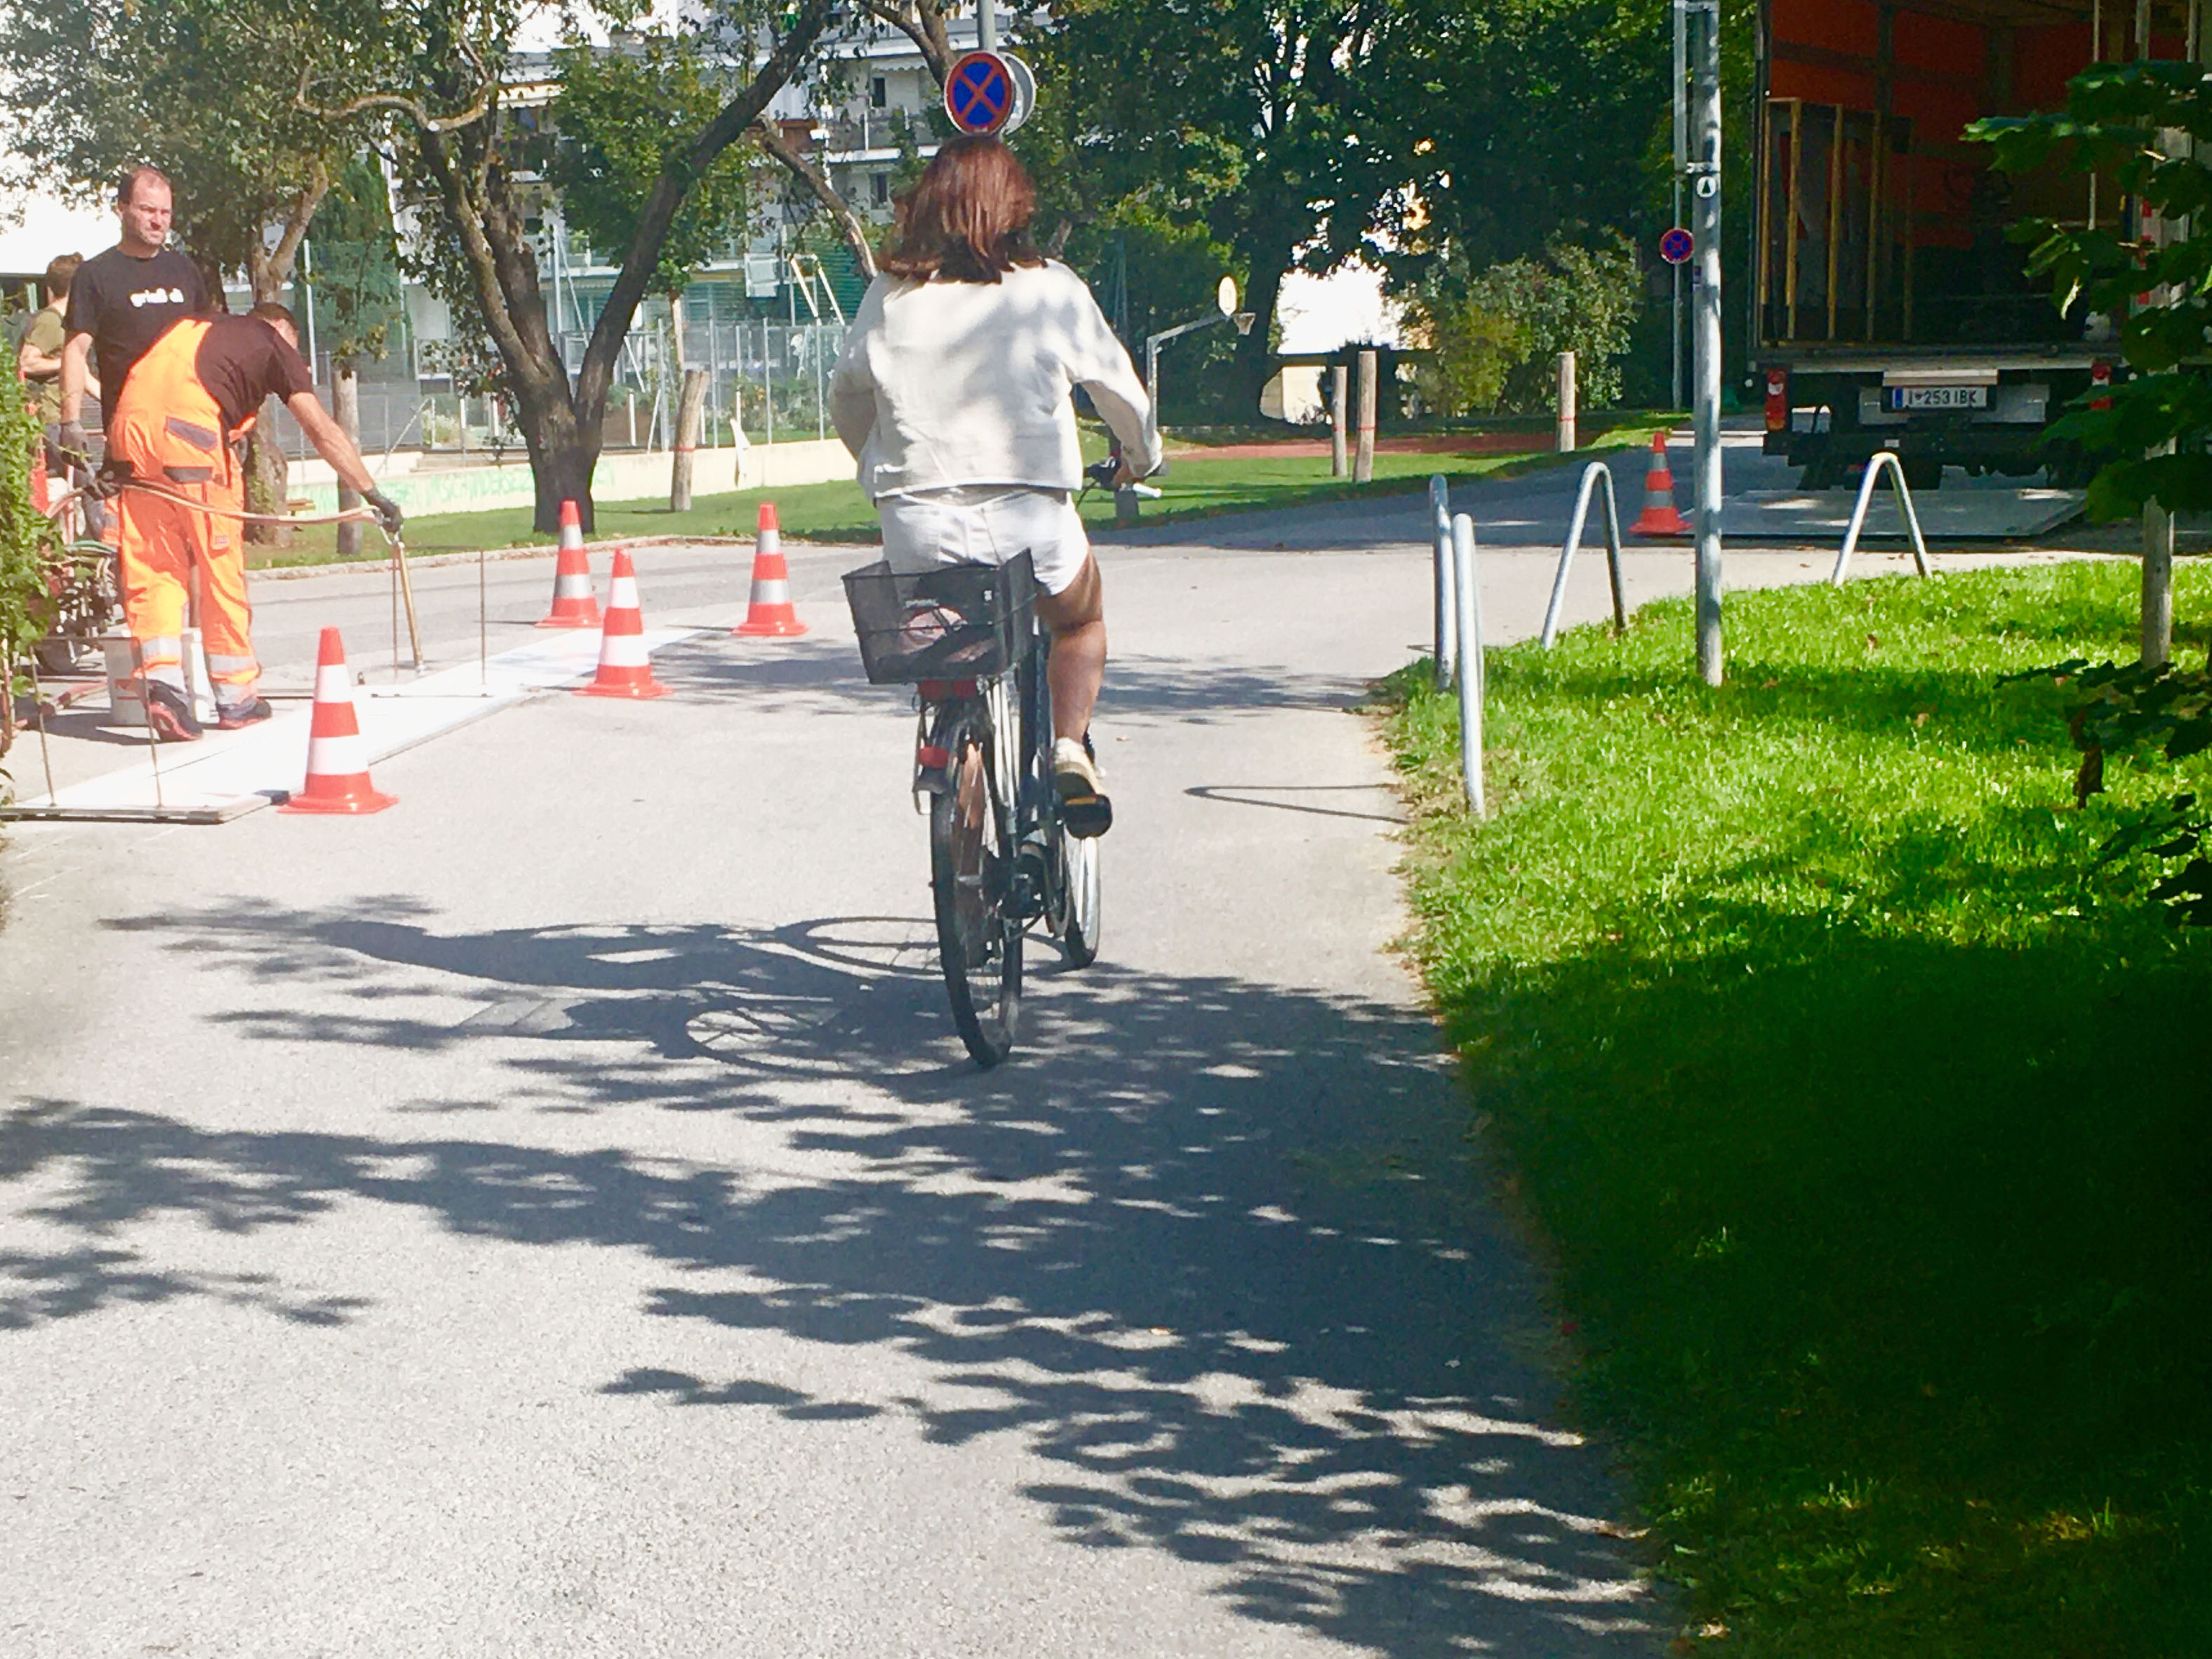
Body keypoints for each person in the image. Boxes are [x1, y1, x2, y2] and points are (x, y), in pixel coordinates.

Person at [830, 135, 1160, 838]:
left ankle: (962, 794)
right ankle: (1068, 747)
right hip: (1028, 519)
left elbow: (847, 398)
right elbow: (1119, 394)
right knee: (1078, 621)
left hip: (916, 524)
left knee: (949, 631)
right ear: (1015, 207)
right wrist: (1140, 457)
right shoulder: (1051, 289)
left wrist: (881, 468)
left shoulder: (889, 296)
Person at [100, 302, 401, 740]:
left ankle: (163, 688)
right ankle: (236, 699)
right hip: (191, 444)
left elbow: (140, 382)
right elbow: (321, 431)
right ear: (280, 329)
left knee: (154, 571)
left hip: (128, 441)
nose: (290, 358)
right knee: (219, 574)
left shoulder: (188, 328)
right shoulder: (271, 342)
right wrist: (372, 493)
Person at [55, 166, 208, 470]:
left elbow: (209, 347)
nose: (158, 221)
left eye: (165, 212)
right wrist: (70, 421)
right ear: (122, 208)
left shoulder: (185, 271)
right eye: (148, 210)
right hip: (130, 433)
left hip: (191, 430)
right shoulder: (95, 275)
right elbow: (75, 351)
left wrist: (230, 417)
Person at [15, 252, 106, 535]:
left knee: (88, 481)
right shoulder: (51, 321)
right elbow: (27, 361)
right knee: (90, 482)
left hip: (62, 417)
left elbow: (84, 377)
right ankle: (105, 542)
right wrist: (66, 362)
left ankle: (90, 543)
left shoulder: (71, 323)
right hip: (51, 419)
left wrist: (117, 404)